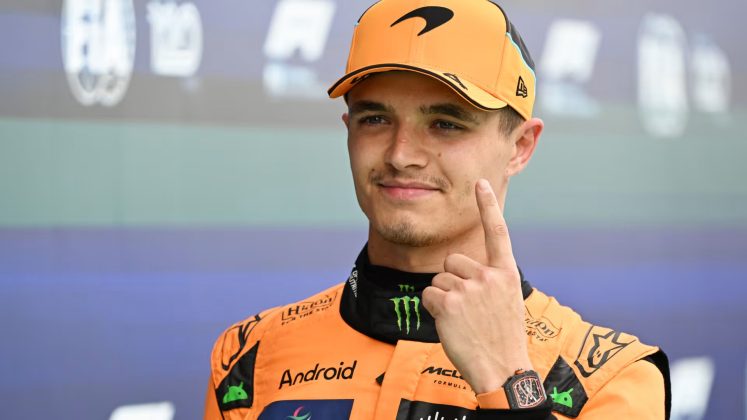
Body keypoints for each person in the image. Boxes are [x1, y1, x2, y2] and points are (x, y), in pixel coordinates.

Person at [204, 0, 671, 418]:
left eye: (446, 124)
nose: (401, 154)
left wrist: (508, 382)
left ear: (520, 147)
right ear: (348, 131)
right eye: (375, 119)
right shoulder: (250, 358)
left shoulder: (611, 378)